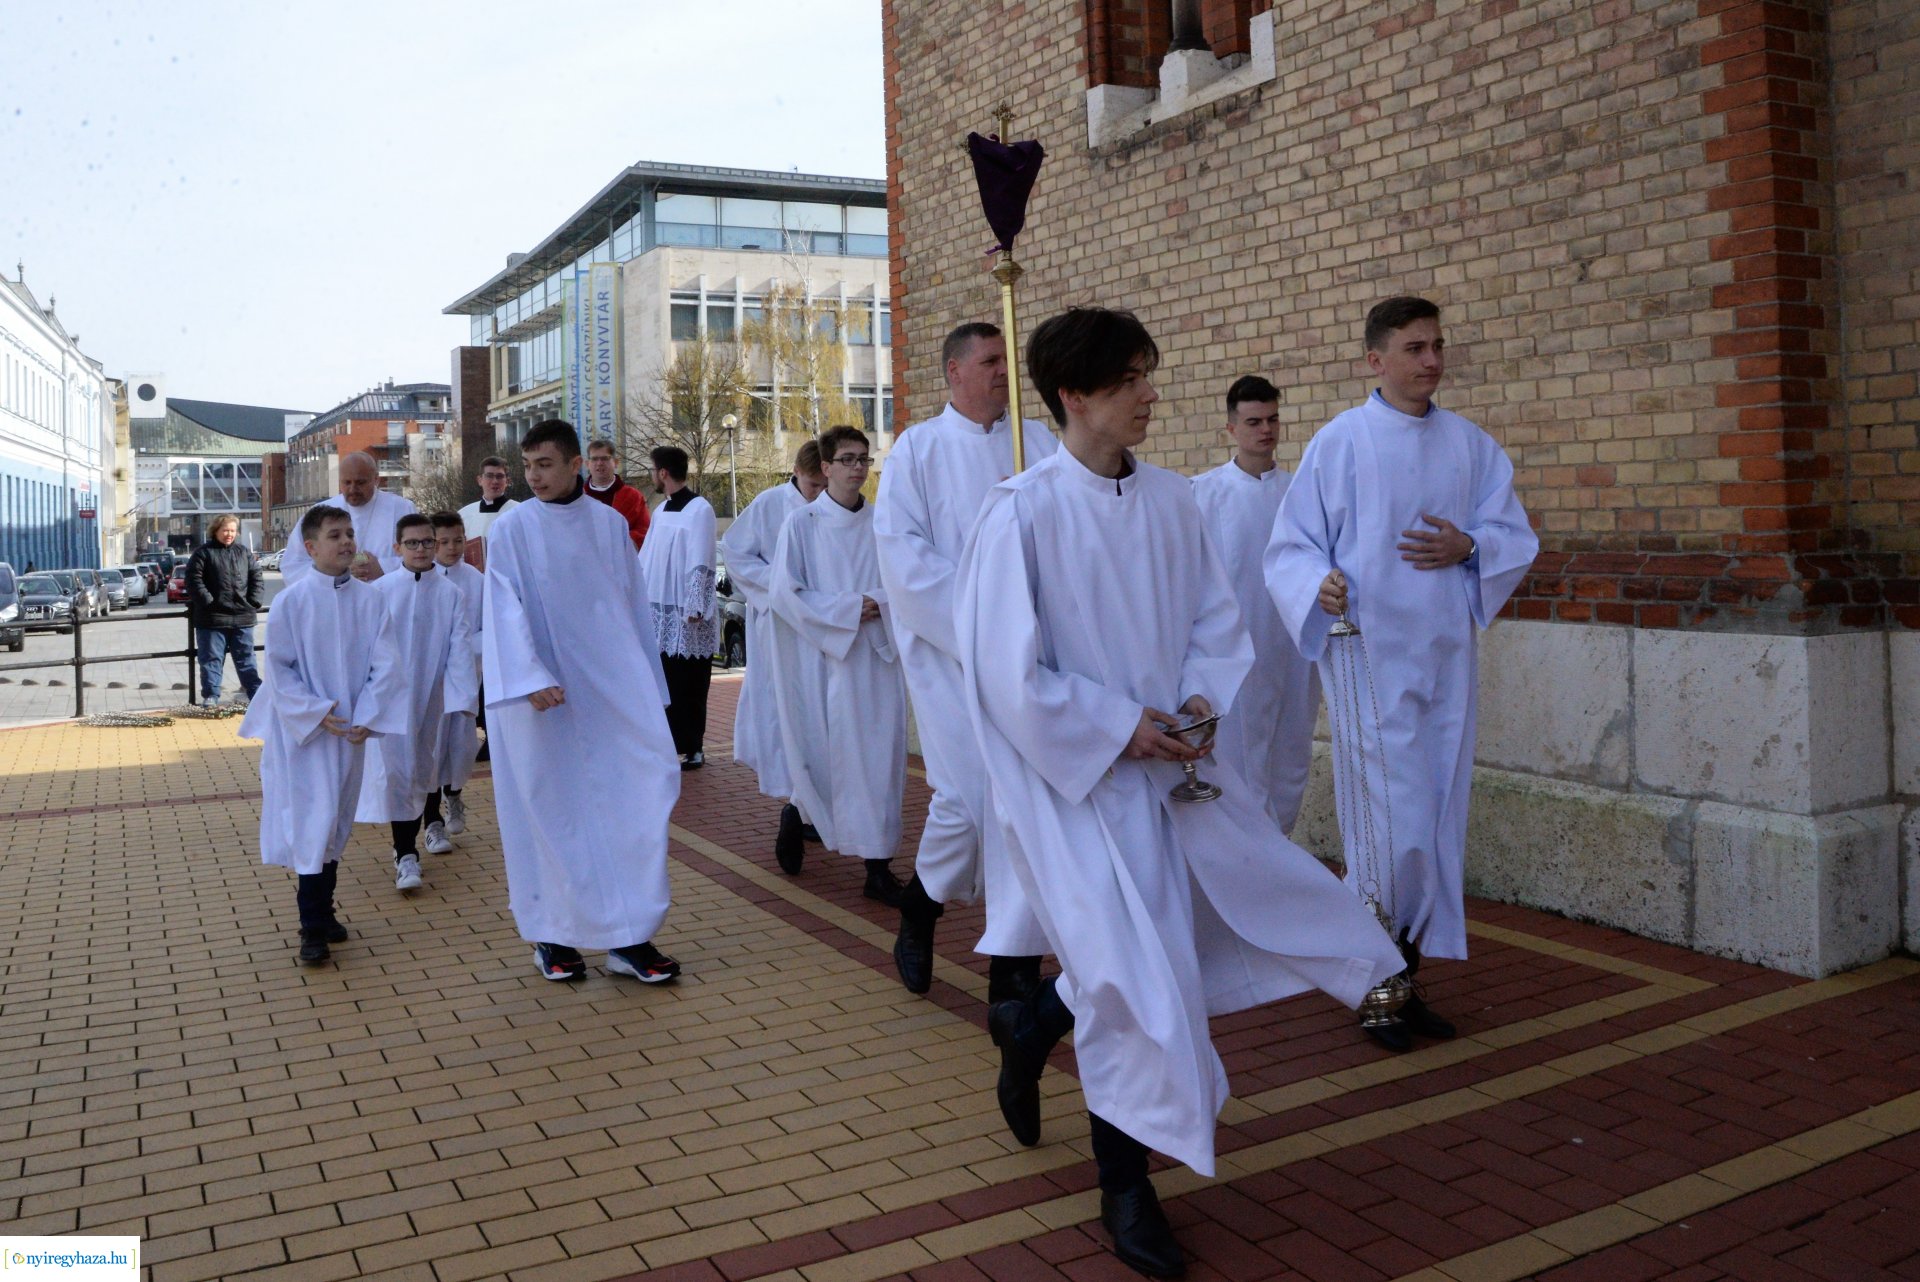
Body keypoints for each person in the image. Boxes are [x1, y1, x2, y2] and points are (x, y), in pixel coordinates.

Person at [957, 307, 1406, 1279]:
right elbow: (1002, 670)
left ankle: (1033, 1025)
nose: (1153, 393)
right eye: (1134, 379)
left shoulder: (1170, 501)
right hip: (1078, 790)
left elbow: (1217, 615)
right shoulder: (1022, 512)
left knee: (1154, 963)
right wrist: (1122, 726)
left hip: (1180, 776)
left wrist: (1199, 703)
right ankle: (1126, 1184)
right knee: (1137, 984)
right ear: (1076, 395)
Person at [1266, 295, 1538, 1052]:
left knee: (1437, 810)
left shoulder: (1470, 445)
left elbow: (1511, 532)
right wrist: (1314, 584)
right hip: (1367, 658)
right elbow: (1290, 547)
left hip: (1444, 654)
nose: (1431, 361)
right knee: (1391, 820)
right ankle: (1378, 982)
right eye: (1415, 348)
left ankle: (1402, 970)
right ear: (1374, 360)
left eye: (1437, 346)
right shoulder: (1341, 443)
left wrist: (1472, 548)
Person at [875, 321, 1058, 1002]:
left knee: (1027, 804)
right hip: (952, 656)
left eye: (1006, 360)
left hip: (1031, 659)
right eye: (989, 361)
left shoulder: (1036, 443)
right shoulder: (916, 452)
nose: (1002, 372)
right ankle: (921, 908)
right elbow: (904, 559)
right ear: (954, 372)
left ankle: (1015, 963)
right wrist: (986, 619)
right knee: (966, 801)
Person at [483, 419, 683, 984]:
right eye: (527, 467)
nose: (533, 476)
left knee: (635, 804)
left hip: (608, 693)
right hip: (542, 700)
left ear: (576, 465)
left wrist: (648, 687)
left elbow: (631, 605)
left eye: (544, 465)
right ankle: (554, 935)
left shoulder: (610, 524)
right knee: (554, 812)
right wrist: (528, 675)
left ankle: (630, 938)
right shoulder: (514, 528)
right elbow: (502, 606)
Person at [240, 505, 406, 966]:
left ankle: (324, 912)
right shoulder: (292, 601)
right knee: (312, 822)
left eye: (350, 533)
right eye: (336, 535)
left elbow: (386, 663)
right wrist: (315, 713)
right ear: (311, 547)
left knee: (336, 822)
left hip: (349, 731)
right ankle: (311, 925)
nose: (347, 542)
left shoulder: (371, 600)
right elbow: (278, 669)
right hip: (306, 737)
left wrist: (367, 714)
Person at [767, 426, 908, 905]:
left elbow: (906, 582)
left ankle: (878, 866)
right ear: (824, 468)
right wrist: (850, 610)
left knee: (880, 761)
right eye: (846, 460)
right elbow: (786, 593)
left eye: (864, 460)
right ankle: (800, 811)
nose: (857, 469)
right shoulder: (802, 526)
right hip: (825, 659)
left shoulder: (883, 524)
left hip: (877, 658)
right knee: (828, 757)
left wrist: (880, 603)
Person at [1190, 376, 1319, 833]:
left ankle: (1280, 851)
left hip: (1294, 646)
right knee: (1244, 761)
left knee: (1291, 757)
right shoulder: (1201, 495)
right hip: (1237, 652)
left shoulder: (1301, 491)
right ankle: (1254, 860)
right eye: (1253, 421)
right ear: (1231, 428)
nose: (1265, 430)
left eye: (1272, 419)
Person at [354, 514, 477, 893]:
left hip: (433, 697)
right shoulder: (381, 591)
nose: (422, 549)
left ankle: (422, 834)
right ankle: (405, 852)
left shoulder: (450, 594)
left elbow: (459, 649)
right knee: (397, 774)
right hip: (390, 700)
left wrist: (460, 698)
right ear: (397, 548)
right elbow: (365, 648)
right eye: (413, 543)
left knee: (424, 770)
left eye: (428, 542)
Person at [718, 441, 826, 847]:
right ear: (797, 472)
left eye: (822, 483)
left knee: (821, 715)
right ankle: (798, 804)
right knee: (787, 712)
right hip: (780, 623)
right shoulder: (768, 505)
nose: (817, 492)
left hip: (822, 624)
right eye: (812, 484)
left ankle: (807, 806)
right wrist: (778, 587)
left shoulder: (834, 508)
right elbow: (735, 551)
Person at [637, 445, 718, 769]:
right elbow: (648, 559)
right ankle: (669, 744)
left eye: (653, 470)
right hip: (660, 614)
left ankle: (693, 746)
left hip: (688, 614)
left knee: (691, 684)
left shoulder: (700, 509)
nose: (652, 475)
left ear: (664, 473)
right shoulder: (661, 510)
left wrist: (696, 604)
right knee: (666, 682)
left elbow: (701, 557)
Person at [430, 511, 485, 837]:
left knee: (461, 743)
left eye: (458, 540)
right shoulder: (422, 577)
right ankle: (431, 816)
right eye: (443, 541)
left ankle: (454, 795)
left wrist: (462, 650)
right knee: (431, 744)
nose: (452, 547)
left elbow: (485, 629)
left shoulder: (476, 580)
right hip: (430, 678)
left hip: (464, 674)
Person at [282, 451, 417, 581]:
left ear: (376, 479)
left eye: (360, 483)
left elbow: (423, 556)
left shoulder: (402, 508)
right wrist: (336, 571)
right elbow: (293, 565)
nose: (352, 489)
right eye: (347, 483)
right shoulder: (319, 513)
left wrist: (384, 567)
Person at [185, 514, 265, 704]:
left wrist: (254, 601)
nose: (229, 534)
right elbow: (193, 580)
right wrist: (209, 602)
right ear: (215, 531)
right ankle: (211, 697)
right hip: (212, 619)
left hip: (243, 617)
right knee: (211, 660)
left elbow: (256, 577)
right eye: (225, 530)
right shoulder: (203, 553)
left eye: (232, 530)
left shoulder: (243, 552)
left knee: (247, 659)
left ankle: (257, 697)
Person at [456, 455, 521, 573]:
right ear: (479, 480)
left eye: (500, 476)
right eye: (489, 476)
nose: (495, 481)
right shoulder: (464, 514)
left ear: (507, 481)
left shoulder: (519, 512)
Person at [584, 438, 652, 550]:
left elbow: (644, 530)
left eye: (605, 458)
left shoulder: (633, 496)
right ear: (587, 464)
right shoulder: (578, 496)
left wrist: (616, 542)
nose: (599, 463)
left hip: (622, 560)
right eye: (594, 459)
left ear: (615, 463)